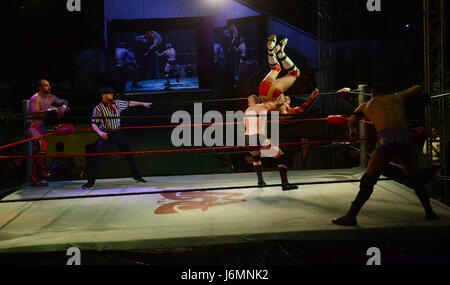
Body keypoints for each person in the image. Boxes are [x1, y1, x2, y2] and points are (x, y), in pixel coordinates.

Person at [332, 84, 438, 226]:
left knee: (368, 180)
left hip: (386, 139)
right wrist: (399, 94)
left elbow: (352, 121)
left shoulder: (366, 105)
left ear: (372, 95)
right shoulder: (397, 97)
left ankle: (351, 216)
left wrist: (352, 131)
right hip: (405, 137)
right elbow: (417, 87)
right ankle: (429, 212)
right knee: (414, 177)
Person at [82, 87, 152, 189]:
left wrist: (142, 103)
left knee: (129, 154)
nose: (112, 95)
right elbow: (94, 124)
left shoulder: (117, 103)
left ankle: (137, 176)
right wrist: (100, 133)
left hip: (118, 133)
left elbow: (130, 103)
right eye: (110, 94)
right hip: (106, 134)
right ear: (104, 95)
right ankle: (90, 183)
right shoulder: (98, 108)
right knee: (98, 158)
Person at [244, 95, 298, 191]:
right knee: (280, 156)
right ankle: (285, 184)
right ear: (258, 101)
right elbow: (276, 106)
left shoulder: (246, 111)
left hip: (247, 139)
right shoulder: (260, 106)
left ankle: (260, 181)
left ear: (249, 103)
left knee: (256, 155)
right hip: (258, 137)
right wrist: (283, 99)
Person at [25, 79, 69, 186]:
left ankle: (36, 178)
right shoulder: (35, 98)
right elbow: (34, 114)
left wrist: (63, 108)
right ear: (40, 88)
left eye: (49, 85)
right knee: (42, 145)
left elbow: (64, 101)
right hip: (31, 126)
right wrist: (52, 109)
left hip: (41, 126)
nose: (48, 87)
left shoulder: (51, 97)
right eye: (46, 86)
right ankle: (42, 174)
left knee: (38, 151)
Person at [259, 35, 303, 113]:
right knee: (276, 68)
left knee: (295, 73)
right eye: (288, 99)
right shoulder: (283, 106)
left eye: (288, 100)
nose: (287, 99)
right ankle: (272, 51)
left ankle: (279, 53)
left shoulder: (285, 110)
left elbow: (299, 110)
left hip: (271, 94)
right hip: (262, 89)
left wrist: (311, 99)